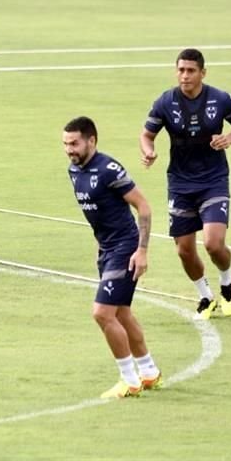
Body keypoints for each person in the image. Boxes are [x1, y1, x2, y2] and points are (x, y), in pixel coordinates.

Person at [140, 49, 231, 319]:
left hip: (213, 180)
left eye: (190, 70)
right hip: (180, 183)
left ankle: (227, 281)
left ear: (203, 72)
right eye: (181, 70)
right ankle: (205, 296)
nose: (185, 75)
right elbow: (147, 134)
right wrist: (149, 150)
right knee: (184, 250)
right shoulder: (166, 101)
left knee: (213, 243)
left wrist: (229, 139)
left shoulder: (220, 99)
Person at [63, 117, 162, 399]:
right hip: (107, 250)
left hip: (126, 247)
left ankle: (129, 380)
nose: (70, 149)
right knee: (121, 313)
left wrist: (142, 250)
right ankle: (150, 372)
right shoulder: (74, 170)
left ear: (91, 140)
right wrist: (99, 245)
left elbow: (143, 206)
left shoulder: (109, 169)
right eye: (66, 144)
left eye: (75, 143)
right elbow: (97, 212)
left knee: (102, 313)